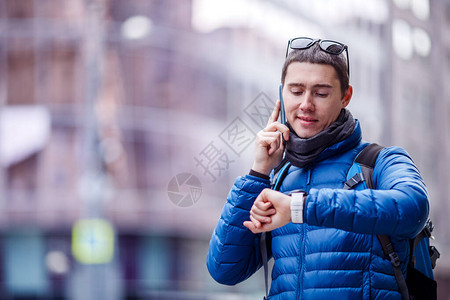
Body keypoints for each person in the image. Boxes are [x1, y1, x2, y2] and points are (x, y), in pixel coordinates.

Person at [206, 37, 430, 299]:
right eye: (296, 91)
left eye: (321, 93)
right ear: (282, 93)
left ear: (345, 96)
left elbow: (413, 208)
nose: (306, 105)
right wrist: (258, 172)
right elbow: (224, 270)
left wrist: (299, 208)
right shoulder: (279, 177)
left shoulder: (380, 162)